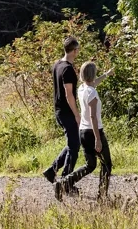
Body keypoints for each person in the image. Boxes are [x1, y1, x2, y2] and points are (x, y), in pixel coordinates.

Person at [55, 61, 114, 201]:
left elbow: (94, 83)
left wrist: (106, 75)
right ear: (92, 74)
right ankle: (102, 196)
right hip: (93, 132)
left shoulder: (82, 89)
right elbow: (93, 117)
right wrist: (98, 139)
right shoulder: (92, 93)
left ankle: (63, 183)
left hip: (82, 131)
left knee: (90, 165)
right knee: (106, 164)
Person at [43, 36, 81, 188]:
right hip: (67, 112)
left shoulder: (57, 65)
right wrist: (77, 114)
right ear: (74, 50)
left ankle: (51, 171)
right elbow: (68, 93)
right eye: (78, 49)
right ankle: (66, 181)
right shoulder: (68, 69)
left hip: (59, 110)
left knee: (73, 143)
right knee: (74, 146)